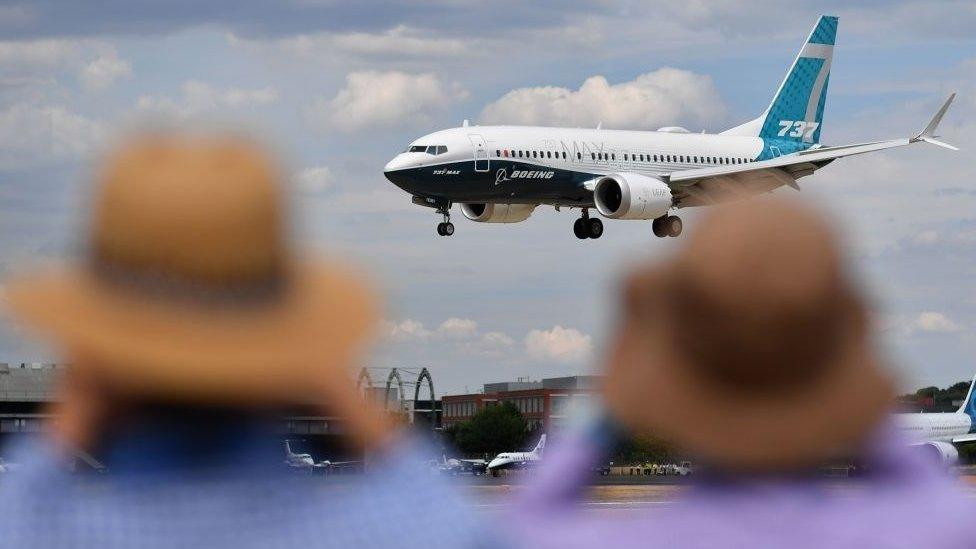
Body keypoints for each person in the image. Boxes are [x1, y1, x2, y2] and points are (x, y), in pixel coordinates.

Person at [0, 133, 486, 548]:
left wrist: (84, 391)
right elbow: (457, 524)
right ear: (295, 349)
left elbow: (21, 503)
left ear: (94, 360)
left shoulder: (39, 529)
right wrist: (327, 371)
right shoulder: (375, 532)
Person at [509, 197, 976, 548]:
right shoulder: (935, 532)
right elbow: (938, 502)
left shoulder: (606, 540)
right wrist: (856, 397)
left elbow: (524, 522)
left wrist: (607, 403)